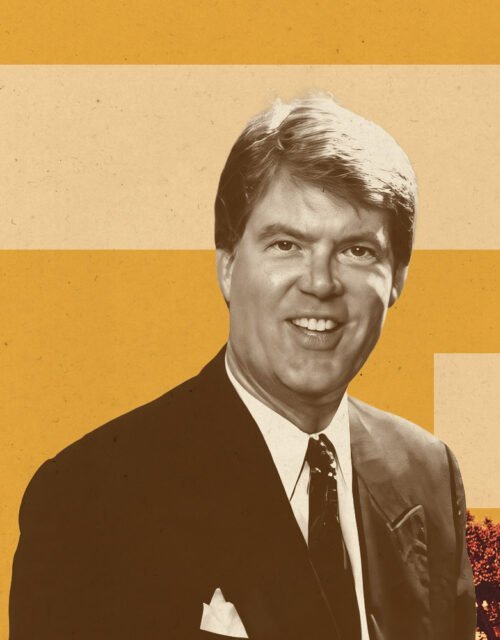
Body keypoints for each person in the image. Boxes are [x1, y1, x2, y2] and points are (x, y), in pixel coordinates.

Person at [10, 96, 476, 640]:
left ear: (396, 277)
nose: (320, 283)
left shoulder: (428, 475)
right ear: (228, 267)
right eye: (286, 244)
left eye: (356, 251)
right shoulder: (91, 497)